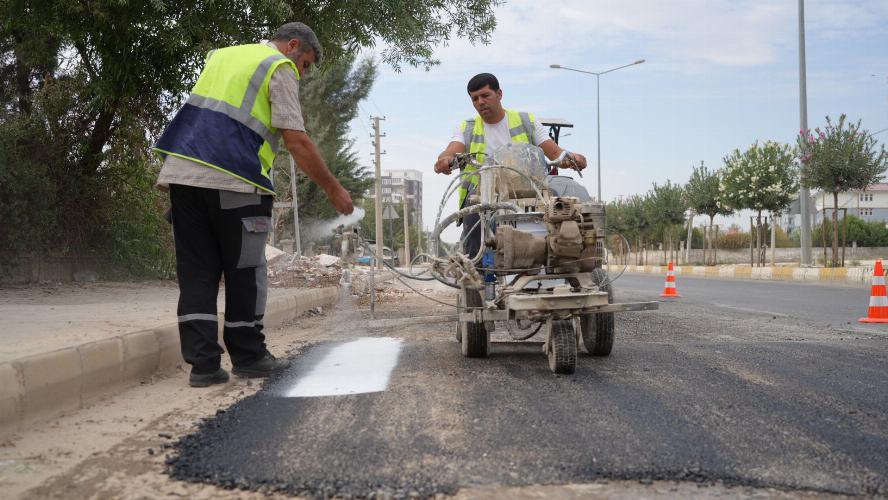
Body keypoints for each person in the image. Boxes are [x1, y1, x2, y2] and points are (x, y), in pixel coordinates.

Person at [153, 22, 354, 387]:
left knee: (197, 273)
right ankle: (249, 356)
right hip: (236, 180)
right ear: (293, 46)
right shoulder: (279, 66)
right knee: (245, 271)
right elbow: (295, 139)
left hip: (184, 175)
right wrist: (334, 190)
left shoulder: (223, 56)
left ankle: (203, 367)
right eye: (306, 64)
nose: (303, 73)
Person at [433, 73, 589, 257]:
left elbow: (555, 152)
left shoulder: (526, 121)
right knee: (473, 227)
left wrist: (571, 158)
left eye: (485, 95)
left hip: (529, 190)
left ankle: (563, 256)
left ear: (499, 94)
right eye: (474, 99)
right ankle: (477, 275)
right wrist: (445, 159)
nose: (480, 102)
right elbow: (453, 148)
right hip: (483, 195)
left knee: (559, 207)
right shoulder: (467, 127)